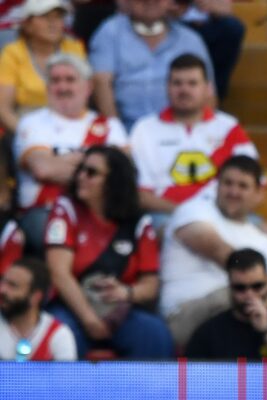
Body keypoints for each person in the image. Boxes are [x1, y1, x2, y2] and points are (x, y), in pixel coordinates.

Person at [43, 145, 174, 358]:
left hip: (118, 311)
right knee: (61, 334)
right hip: (71, 308)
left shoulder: (137, 221)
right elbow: (58, 273)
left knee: (154, 333)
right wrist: (89, 318)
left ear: (114, 181)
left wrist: (127, 293)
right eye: (81, 169)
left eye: (92, 172)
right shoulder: (66, 209)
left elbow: (150, 284)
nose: (81, 177)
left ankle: (145, 393)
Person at [160, 155, 267, 348]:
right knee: (243, 294)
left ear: (259, 193)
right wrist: (265, 285)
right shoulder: (194, 210)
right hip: (185, 315)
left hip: (242, 319)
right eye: (227, 183)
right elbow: (217, 249)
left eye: (243, 186)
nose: (233, 191)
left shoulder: (263, 239)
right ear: (216, 185)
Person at [14, 53, 128, 253]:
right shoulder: (32, 122)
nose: (63, 87)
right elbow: (43, 169)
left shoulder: (110, 125)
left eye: (70, 80)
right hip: (45, 211)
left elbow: (121, 176)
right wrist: (96, 168)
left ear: (88, 87)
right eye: (55, 80)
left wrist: (62, 162)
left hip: (101, 212)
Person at [130, 53, 257, 219]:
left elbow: (256, 186)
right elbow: (141, 195)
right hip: (165, 215)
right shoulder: (144, 129)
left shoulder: (229, 127)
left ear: (208, 88)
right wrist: (189, 215)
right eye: (177, 83)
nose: (184, 90)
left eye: (192, 83)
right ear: (167, 87)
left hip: (224, 214)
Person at [89, 0, 214, 129]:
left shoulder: (190, 39)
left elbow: (208, 92)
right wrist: (116, 133)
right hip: (126, 129)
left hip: (178, 129)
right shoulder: (110, 32)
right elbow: (100, 83)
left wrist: (198, 133)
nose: (150, 1)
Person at [185, 248, 267, 363]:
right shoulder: (209, 332)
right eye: (240, 288)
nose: (249, 294)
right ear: (230, 286)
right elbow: (191, 380)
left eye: (257, 286)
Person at [0, 0, 85, 133]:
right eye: (45, 17)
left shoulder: (74, 48)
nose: (53, 23)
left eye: (58, 17)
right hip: (25, 126)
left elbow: (83, 97)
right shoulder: (13, 53)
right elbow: (3, 109)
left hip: (71, 126)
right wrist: (29, 135)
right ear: (27, 24)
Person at [0, 257, 76, 360]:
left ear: (35, 297)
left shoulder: (58, 334)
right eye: (3, 282)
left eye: (13, 286)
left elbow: (66, 375)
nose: (2, 290)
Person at [169, 0, 246, 100]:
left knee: (232, 28)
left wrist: (218, 11)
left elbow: (224, 8)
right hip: (171, 23)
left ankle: (210, 98)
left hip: (208, 26)